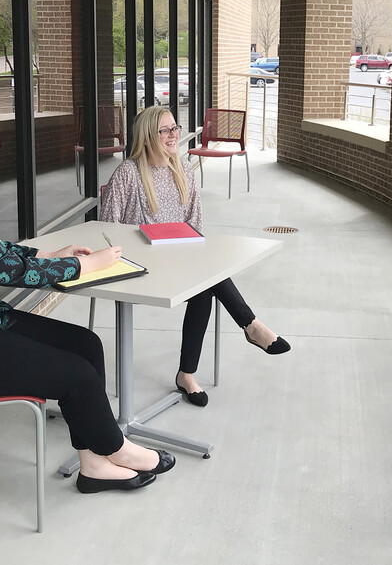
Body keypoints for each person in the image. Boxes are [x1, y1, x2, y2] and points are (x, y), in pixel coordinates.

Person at [0, 103, 174, 493]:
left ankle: (93, 463)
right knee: (77, 375)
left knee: (85, 344)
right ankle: (117, 449)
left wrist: (49, 255)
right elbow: (9, 273)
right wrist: (85, 267)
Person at [100, 106, 289, 407]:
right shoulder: (128, 174)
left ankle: (187, 375)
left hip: (180, 263)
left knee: (206, 285)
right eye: (165, 130)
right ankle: (250, 325)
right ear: (148, 136)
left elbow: (196, 227)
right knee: (208, 282)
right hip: (139, 271)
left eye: (174, 128)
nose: (173, 135)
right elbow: (106, 230)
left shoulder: (184, 170)